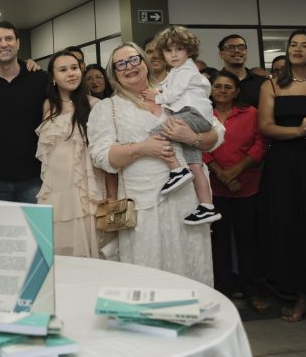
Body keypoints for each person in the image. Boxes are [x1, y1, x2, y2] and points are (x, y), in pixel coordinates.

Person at [88, 43, 222, 285]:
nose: (129, 67)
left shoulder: (173, 93)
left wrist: (193, 138)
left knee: (190, 264)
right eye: (120, 64)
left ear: (145, 62)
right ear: (114, 73)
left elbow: (215, 134)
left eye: (133, 59)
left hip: (188, 200)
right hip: (144, 204)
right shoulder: (109, 108)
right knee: (149, 273)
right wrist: (141, 148)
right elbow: (101, 156)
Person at [256, 29, 306, 325]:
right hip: (283, 163)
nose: (298, 49)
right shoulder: (272, 84)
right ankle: (302, 295)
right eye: (293, 44)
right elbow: (266, 127)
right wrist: (298, 131)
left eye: (305, 45)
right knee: (291, 227)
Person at [141, 26, 220, 225]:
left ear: (189, 50)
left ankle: (177, 171)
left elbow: (173, 94)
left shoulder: (185, 69)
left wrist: (155, 96)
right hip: (193, 116)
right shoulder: (176, 71)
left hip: (193, 114)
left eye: (179, 49)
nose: (174, 54)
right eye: (168, 50)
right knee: (195, 165)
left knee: (157, 133)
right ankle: (207, 207)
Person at [36, 51, 111, 258]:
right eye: (63, 70)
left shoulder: (96, 106)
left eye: (74, 68)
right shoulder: (48, 106)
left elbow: (104, 154)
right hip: (56, 189)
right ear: (53, 77)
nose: (71, 73)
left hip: (85, 188)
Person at [204, 71, 268, 310]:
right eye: (218, 86)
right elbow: (197, 146)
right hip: (213, 188)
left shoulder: (251, 113)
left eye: (228, 87)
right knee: (218, 241)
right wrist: (222, 174)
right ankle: (222, 290)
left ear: (237, 91)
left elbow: (261, 143)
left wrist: (236, 171)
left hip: (246, 185)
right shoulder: (202, 114)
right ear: (210, 90)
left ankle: (252, 291)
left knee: (248, 241)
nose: (222, 91)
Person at [0, 21, 47, 203]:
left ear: (18, 43)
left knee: (35, 224)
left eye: (8, 38)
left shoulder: (40, 78)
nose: (4, 44)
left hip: (35, 177)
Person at [219, 33, 266, 107]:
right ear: (221, 54)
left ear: (246, 52)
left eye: (241, 47)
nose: (237, 50)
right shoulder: (213, 82)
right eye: (230, 47)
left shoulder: (263, 83)